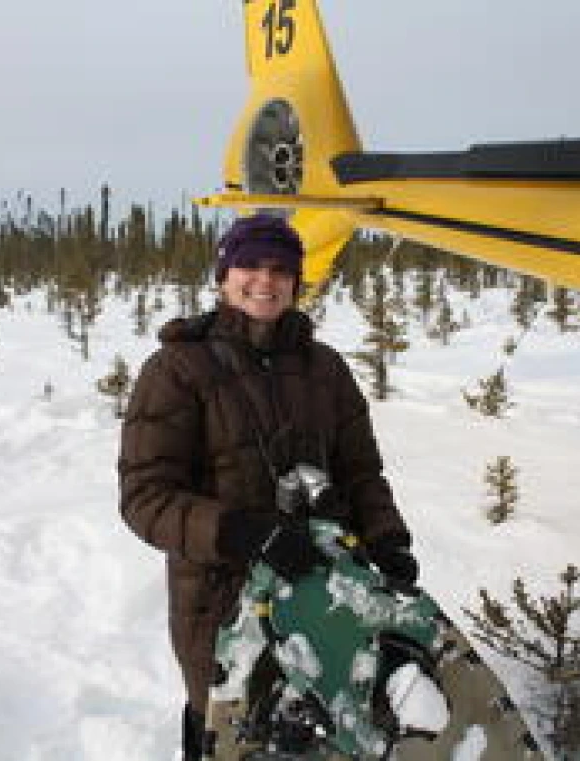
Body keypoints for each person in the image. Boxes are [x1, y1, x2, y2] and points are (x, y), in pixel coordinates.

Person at [118, 213, 418, 761]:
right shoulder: (177, 369)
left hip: (325, 592)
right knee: (230, 732)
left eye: (281, 268)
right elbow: (145, 499)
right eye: (250, 264)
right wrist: (243, 533)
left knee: (323, 727)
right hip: (221, 602)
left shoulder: (325, 369)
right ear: (223, 275)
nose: (265, 279)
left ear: (298, 282)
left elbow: (360, 472)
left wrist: (387, 539)